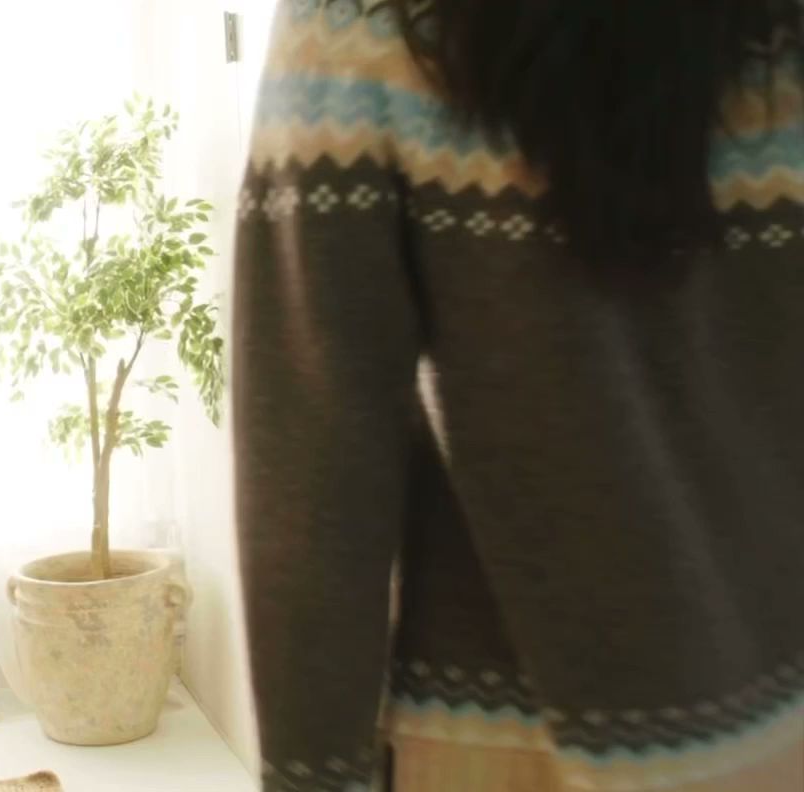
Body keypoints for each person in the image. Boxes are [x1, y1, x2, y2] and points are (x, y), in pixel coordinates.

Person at [232, 1, 804, 790]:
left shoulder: (356, 26)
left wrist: (313, 773)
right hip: (776, 725)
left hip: (494, 734)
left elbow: (314, 464)